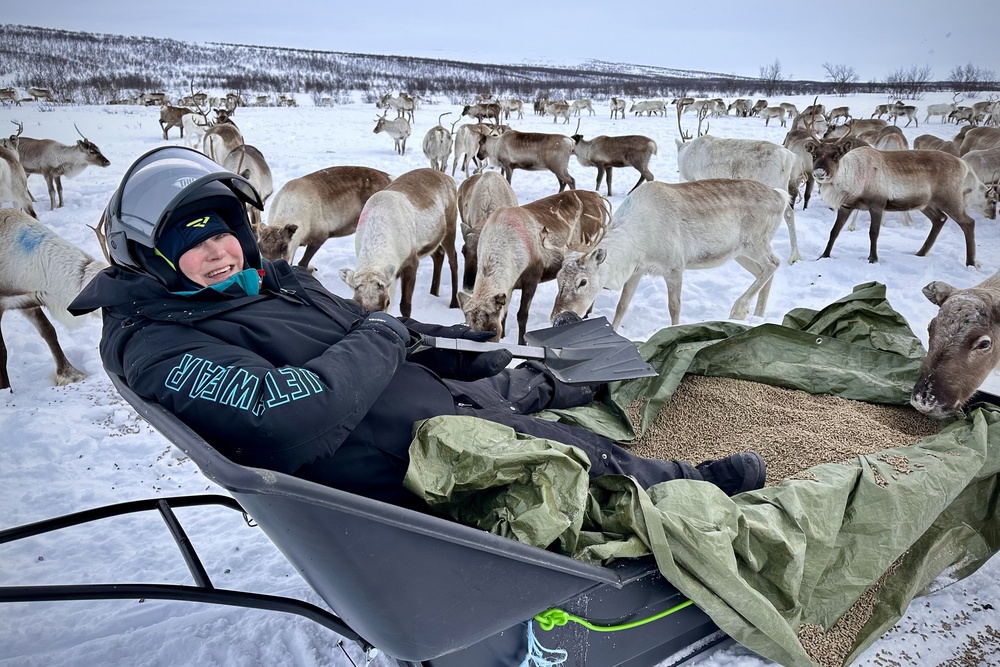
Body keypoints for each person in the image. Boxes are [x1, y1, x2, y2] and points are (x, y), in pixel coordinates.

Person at [70, 146, 766, 509]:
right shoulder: (162, 345)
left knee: (517, 378)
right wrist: (386, 337)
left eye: (226, 231)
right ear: (150, 251)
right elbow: (292, 412)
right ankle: (687, 482)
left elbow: (373, 329)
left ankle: (551, 380)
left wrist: (468, 350)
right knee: (567, 448)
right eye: (195, 241)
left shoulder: (262, 283)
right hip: (410, 452)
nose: (220, 250)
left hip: (416, 395)